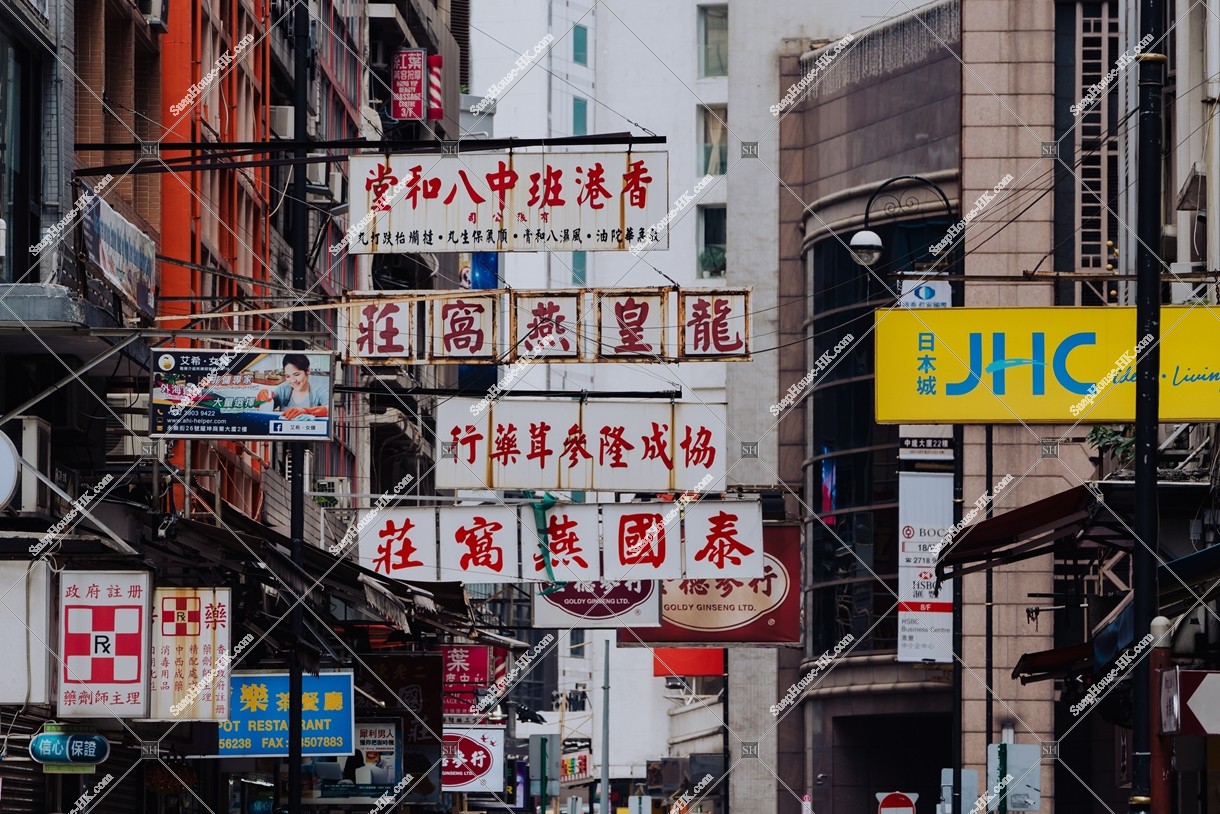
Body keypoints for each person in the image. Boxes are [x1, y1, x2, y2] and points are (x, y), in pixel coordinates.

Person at [272, 354, 329, 419]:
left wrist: (306, 411)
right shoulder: (283, 390)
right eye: (288, 376)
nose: (293, 381)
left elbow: (330, 409)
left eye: (296, 374)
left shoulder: (319, 392)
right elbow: (263, 405)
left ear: (307, 371)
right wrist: (262, 400)